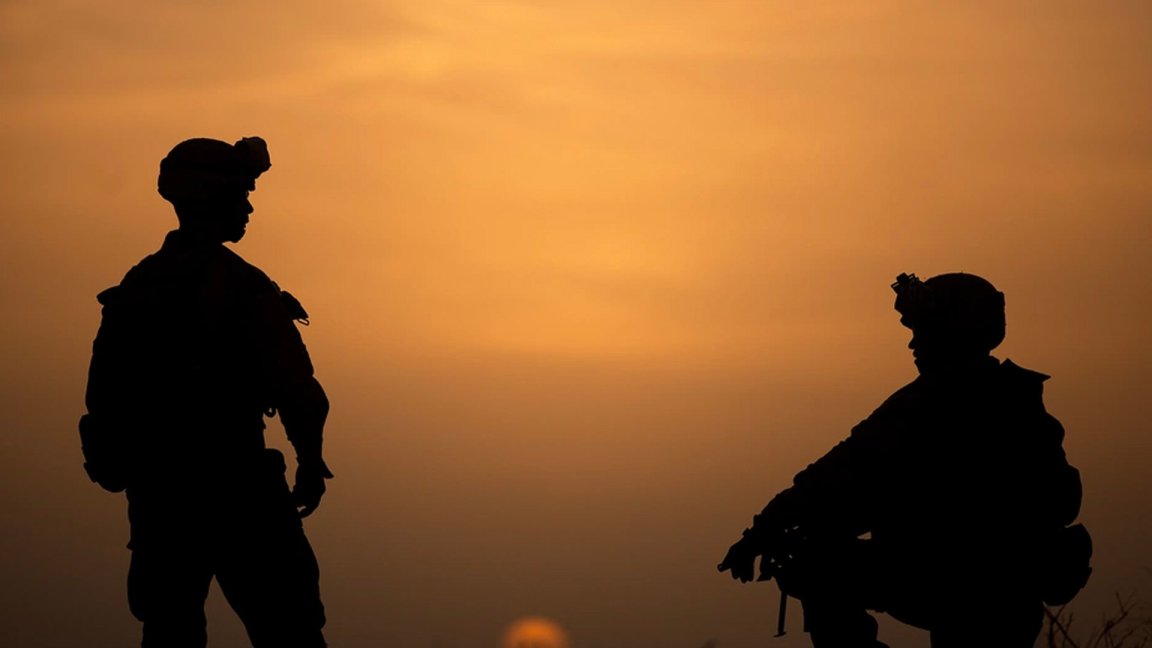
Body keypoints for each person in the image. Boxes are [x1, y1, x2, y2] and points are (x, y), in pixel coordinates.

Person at [718, 272, 1091, 648]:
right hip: (1000, 594)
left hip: (964, 587)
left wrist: (763, 533)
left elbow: (834, 477)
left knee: (813, 563)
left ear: (952, 331)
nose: (913, 343)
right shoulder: (1017, 400)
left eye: (924, 331)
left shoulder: (928, 406)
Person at [79, 136, 334, 647]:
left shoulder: (138, 287)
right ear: (210, 197)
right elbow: (297, 389)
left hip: (163, 500)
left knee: (170, 630)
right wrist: (310, 461)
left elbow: (102, 398)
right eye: (240, 195)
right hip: (239, 491)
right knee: (290, 630)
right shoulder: (243, 287)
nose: (248, 208)